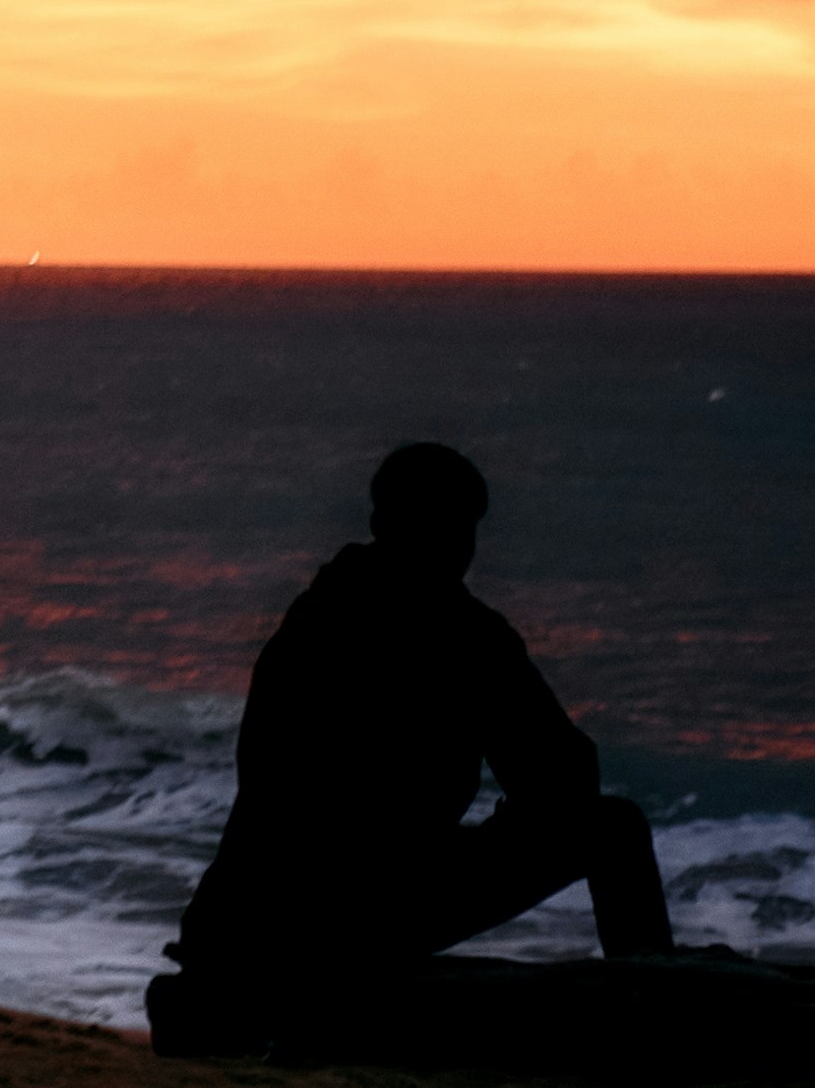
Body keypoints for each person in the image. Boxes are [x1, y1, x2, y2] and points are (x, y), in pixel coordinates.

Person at [163, 441, 672, 1037]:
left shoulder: (315, 614)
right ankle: (658, 1010)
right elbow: (562, 781)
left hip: (246, 916)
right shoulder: (464, 635)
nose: (458, 547)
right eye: (449, 527)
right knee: (614, 830)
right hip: (351, 916)